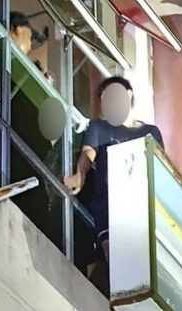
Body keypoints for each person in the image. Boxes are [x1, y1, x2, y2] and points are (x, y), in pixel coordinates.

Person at [64, 77, 164, 266]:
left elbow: (160, 168)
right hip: (108, 205)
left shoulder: (151, 132)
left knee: (142, 259)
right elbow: (88, 154)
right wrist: (80, 175)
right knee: (113, 255)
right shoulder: (99, 127)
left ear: (128, 95)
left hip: (140, 205)